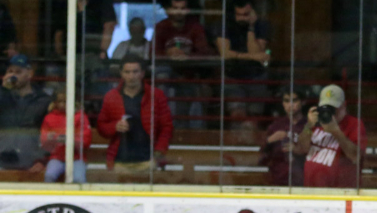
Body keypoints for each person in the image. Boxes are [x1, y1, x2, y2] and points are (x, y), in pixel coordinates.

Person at [97, 58, 172, 174]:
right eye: (127, 72)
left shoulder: (156, 95)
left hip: (148, 161)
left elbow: (166, 127)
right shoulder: (111, 97)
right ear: (121, 73)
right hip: (120, 161)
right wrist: (115, 127)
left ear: (142, 73)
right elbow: (101, 126)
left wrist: (159, 151)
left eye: (135, 72)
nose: (131, 76)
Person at [0, 54, 53, 170]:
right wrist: (3, 90)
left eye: (18, 72)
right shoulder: (1, 94)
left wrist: (42, 161)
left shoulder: (43, 100)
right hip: (3, 162)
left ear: (30, 74)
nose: (13, 76)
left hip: (32, 164)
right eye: (10, 71)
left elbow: (51, 134)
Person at [154, 0, 215, 130]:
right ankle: (164, 128)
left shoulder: (195, 27)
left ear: (187, 10)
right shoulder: (161, 27)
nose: (179, 12)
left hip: (190, 76)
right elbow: (152, 54)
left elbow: (204, 52)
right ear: (169, 10)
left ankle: (195, 137)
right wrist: (168, 53)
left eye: (182, 8)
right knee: (162, 76)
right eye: (176, 8)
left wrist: (187, 56)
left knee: (196, 100)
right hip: (168, 78)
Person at [295, 84, 365, 189]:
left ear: (344, 105)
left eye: (333, 108)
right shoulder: (317, 121)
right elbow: (301, 148)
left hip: (340, 191)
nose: (330, 113)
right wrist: (308, 126)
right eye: (326, 108)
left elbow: (355, 156)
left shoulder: (354, 124)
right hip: (311, 189)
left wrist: (336, 131)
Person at [215, 1, 271, 127]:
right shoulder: (224, 25)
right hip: (233, 76)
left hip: (256, 77)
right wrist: (253, 57)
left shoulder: (261, 25)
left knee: (253, 119)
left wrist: (251, 28)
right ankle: (235, 145)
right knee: (237, 115)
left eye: (246, 15)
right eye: (239, 15)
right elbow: (225, 54)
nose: (242, 18)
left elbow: (256, 51)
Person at [40, 88, 90, 182]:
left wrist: (70, 140)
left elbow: (86, 140)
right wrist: (50, 139)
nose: (62, 104)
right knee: (49, 176)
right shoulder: (49, 117)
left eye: (66, 101)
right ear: (55, 102)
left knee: (78, 179)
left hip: (76, 158)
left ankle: (80, 197)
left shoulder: (80, 117)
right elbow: (43, 142)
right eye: (59, 101)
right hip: (57, 157)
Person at [260, 89, 306, 186]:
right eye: (286, 101)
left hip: (303, 180)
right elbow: (261, 158)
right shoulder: (275, 126)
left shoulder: (309, 126)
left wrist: (300, 149)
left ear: (303, 102)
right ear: (282, 104)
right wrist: (269, 141)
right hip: (279, 181)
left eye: (294, 100)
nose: (290, 105)